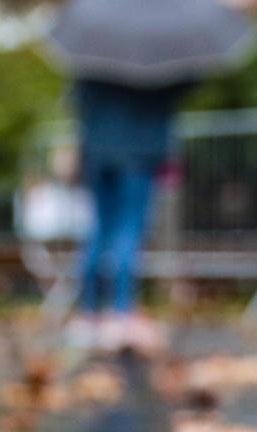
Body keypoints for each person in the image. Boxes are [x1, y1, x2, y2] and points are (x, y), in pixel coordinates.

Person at [65, 77, 190, 353]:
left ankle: (89, 313)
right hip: (139, 151)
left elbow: (77, 100)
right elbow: (173, 94)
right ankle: (121, 313)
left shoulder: (93, 60)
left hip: (97, 149)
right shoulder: (152, 66)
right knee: (130, 229)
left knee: (99, 228)